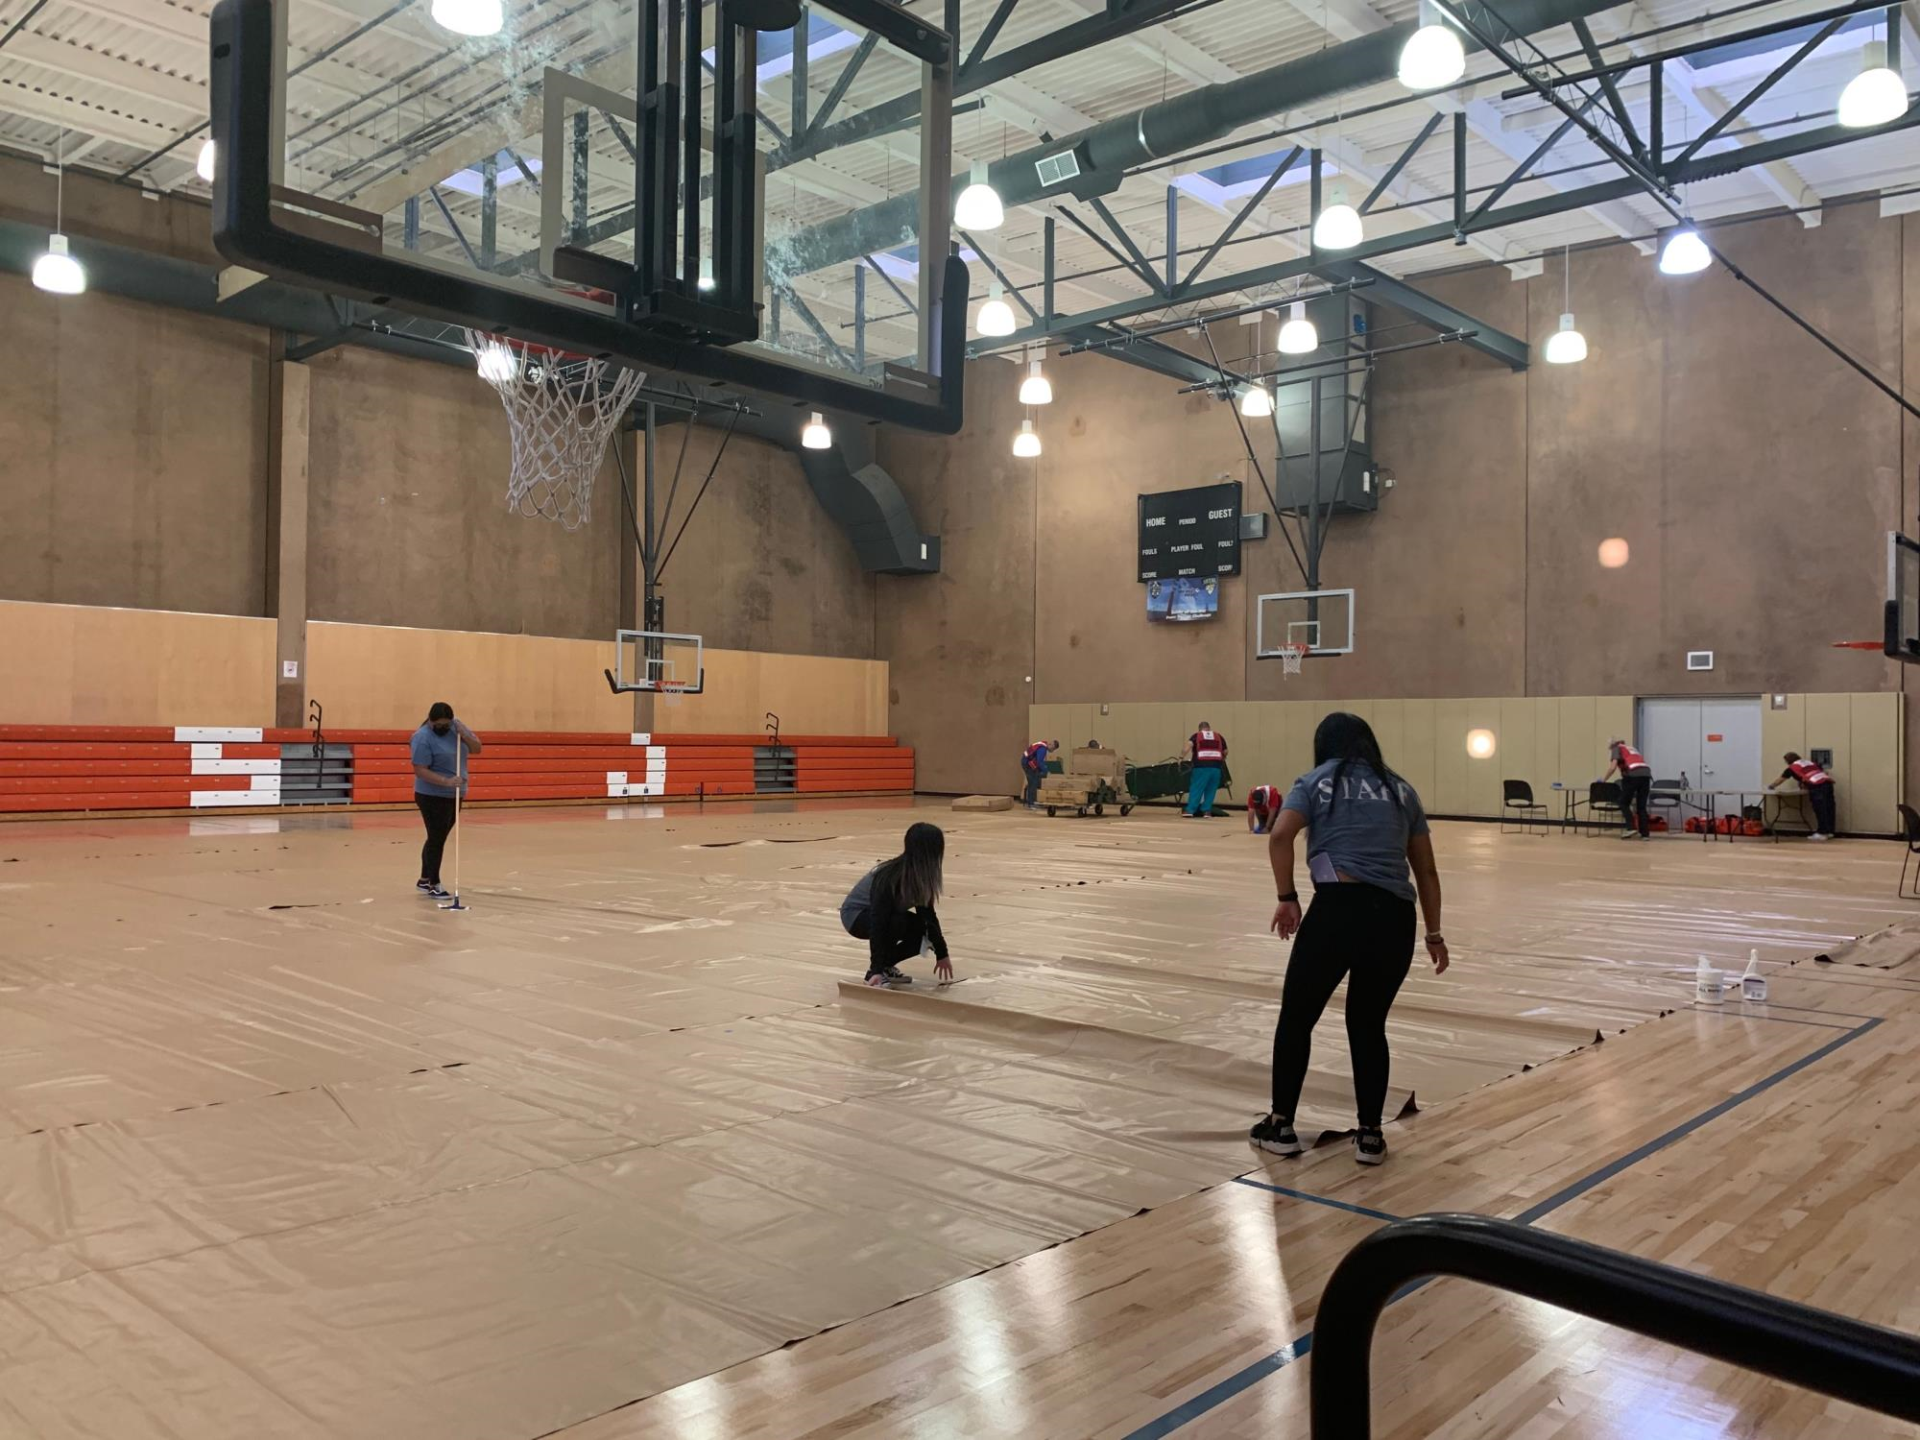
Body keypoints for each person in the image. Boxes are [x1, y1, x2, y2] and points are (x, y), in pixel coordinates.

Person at [1250, 713, 1448, 1168]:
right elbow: (1427, 871)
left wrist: (1287, 898)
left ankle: (1280, 1125)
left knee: (1298, 1018)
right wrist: (1434, 934)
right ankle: (1371, 1136)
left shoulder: (1316, 782)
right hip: (1395, 918)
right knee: (1367, 1024)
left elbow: (1280, 834)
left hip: (1338, 909)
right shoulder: (1402, 790)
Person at [841, 822, 955, 987]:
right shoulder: (890, 878)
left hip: (886, 916)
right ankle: (876, 973)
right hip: (856, 916)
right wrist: (875, 969)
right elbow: (879, 922)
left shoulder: (922, 878)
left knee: (923, 931)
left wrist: (942, 953)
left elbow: (928, 917)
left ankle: (886, 966)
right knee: (897, 921)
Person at [411, 702, 481, 898]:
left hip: (455, 793)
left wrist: (464, 734)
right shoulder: (422, 737)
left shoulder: (457, 727)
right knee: (436, 838)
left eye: (446, 725)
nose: (442, 729)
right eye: (438, 725)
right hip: (431, 794)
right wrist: (446, 781)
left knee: (437, 837)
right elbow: (420, 770)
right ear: (431, 721)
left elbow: (477, 749)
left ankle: (424, 880)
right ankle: (434, 883)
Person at [1772, 751, 1836, 841]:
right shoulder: (1810, 763)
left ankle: (1822, 833)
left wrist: (1771, 786)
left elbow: (1781, 779)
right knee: (1829, 808)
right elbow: (1819, 772)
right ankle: (1830, 831)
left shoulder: (1792, 768)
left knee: (1820, 809)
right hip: (1827, 783)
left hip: (1817, 787)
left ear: (1788, 761)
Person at [1600, 737, 1653, 841]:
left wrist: (1603, 780)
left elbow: (1613, 767)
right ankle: (1645, 834)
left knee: (1623, 802)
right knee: (1641, 806)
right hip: (1646, 775)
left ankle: (1631, 827)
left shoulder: (1616, 749)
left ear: (1612, 746)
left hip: (1632, 775)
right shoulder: (1631, 748)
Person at [1184, 720, 1228, 818]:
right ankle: (1206, 811)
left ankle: (1190, 810)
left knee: (1196, 788)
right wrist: (1222, 759)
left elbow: (1188, 747)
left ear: (1200, 729)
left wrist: (1180, 757)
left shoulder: (1197, 736)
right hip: (1216, 768)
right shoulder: (1218, 736)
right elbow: (1225, 751)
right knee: (1211, 790)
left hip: (1201, 767)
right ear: (1209, 728)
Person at [1021, 738, 1060, 809]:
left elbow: (1038, 761)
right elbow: (1039, 762)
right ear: (1051, 745)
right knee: (1033, 782)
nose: (1052, 751)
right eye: (1053, 749)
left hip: (1028, 762)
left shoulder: (1042, 745)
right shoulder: (1043, 749)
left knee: (1034, 780)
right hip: (1027, 763)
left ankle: (1032, 802)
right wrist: (1046, 771)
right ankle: (1031, 803)